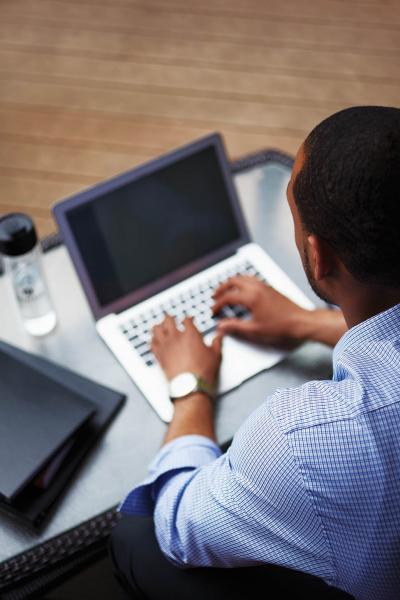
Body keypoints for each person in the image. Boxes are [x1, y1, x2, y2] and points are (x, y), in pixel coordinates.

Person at [110, 106, 400, 600]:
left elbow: (180, 528)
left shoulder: (305, 439)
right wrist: (308, 323)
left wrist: (191, 388)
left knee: (137, 531)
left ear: (317, 255)